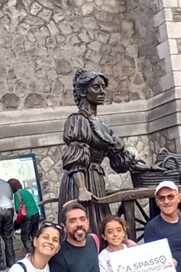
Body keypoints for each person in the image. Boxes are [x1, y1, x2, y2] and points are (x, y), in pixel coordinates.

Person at [59, 69, 148, 231]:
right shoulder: (77, 120)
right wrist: (82, 189)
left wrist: (145, 167)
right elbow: (75, 158)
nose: (102, 91)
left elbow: (118, 159)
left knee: (98, 222)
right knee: (86, 225)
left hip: (96, 180)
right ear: (83, 92)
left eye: (103, 87)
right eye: (96, 87)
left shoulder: (101, 125)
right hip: (80, 181)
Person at [9, 178, 41, 253]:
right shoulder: (26, 191)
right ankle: (39, 251)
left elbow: (18, 209)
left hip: (28, 217)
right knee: (35, 235)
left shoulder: (16, 194)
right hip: (36, 214)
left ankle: (32, 254)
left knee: (25, 237)